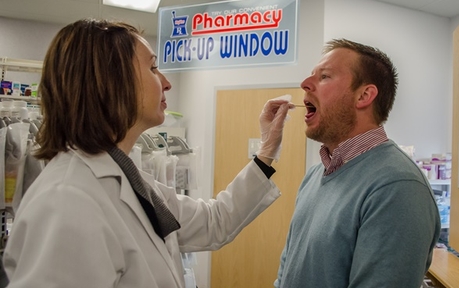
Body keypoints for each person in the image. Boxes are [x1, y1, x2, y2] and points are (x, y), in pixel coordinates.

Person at [2, 18, 293, 288]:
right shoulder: (67, 200)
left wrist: (267, 149)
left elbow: (213, 222)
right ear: (111, 81)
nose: (166, 82)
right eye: (153, 68)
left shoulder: (129, 179)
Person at [274, 38, 441, 288]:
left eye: (325, 77)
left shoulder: (397, 187)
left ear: (364, 95)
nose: (305, 84)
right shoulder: (315, 175)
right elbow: (288, 268)